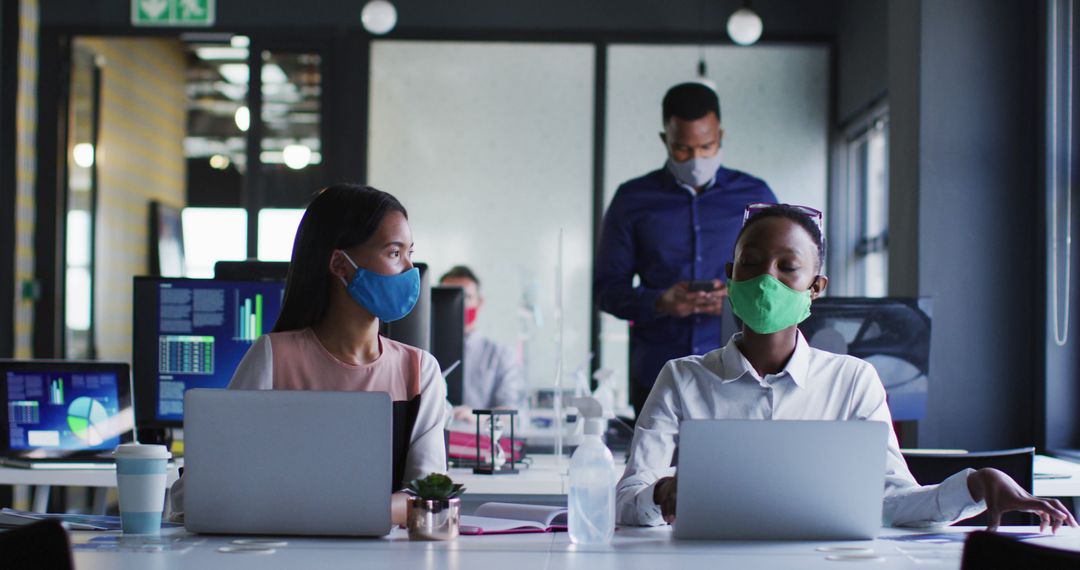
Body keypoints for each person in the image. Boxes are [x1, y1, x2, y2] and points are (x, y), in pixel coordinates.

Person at [616, 204, 1078, 532]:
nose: (765, 280)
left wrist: (976, 484)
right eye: (750, 265)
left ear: (816, 287)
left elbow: (890, 501)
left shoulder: (853, 380)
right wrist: (660, 494)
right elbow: (627, 497)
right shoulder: (682, 377)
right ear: (730, 275)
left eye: (787, 268)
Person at [170, 184, 448, 525]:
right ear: (339, 264)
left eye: (409, 253)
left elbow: (431, 497)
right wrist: (366, 509)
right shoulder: (273, 358)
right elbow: (195, 493)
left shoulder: (419, 371)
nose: (409, 269)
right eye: (394, 253)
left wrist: (321, 509)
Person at [595, 82, 778, 418]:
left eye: (707, 146)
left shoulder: (755, 196)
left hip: (740, 371)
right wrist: (659, 302)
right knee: (655, 470)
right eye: (682, 148)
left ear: (720, 136)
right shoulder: (631, 200)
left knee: (736, 470)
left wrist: (736, 299)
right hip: (656, 373)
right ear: (665, 139)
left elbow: (780, 283)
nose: (696, 158)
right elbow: (607, 290)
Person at [439, 265, 526, 422]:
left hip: (479, 439)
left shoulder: (501, 355)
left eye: (466, 297)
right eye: (450, 297)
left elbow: (509, 411)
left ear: (479, 302)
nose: (458, 305)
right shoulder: (423, 351)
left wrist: (475, 417)